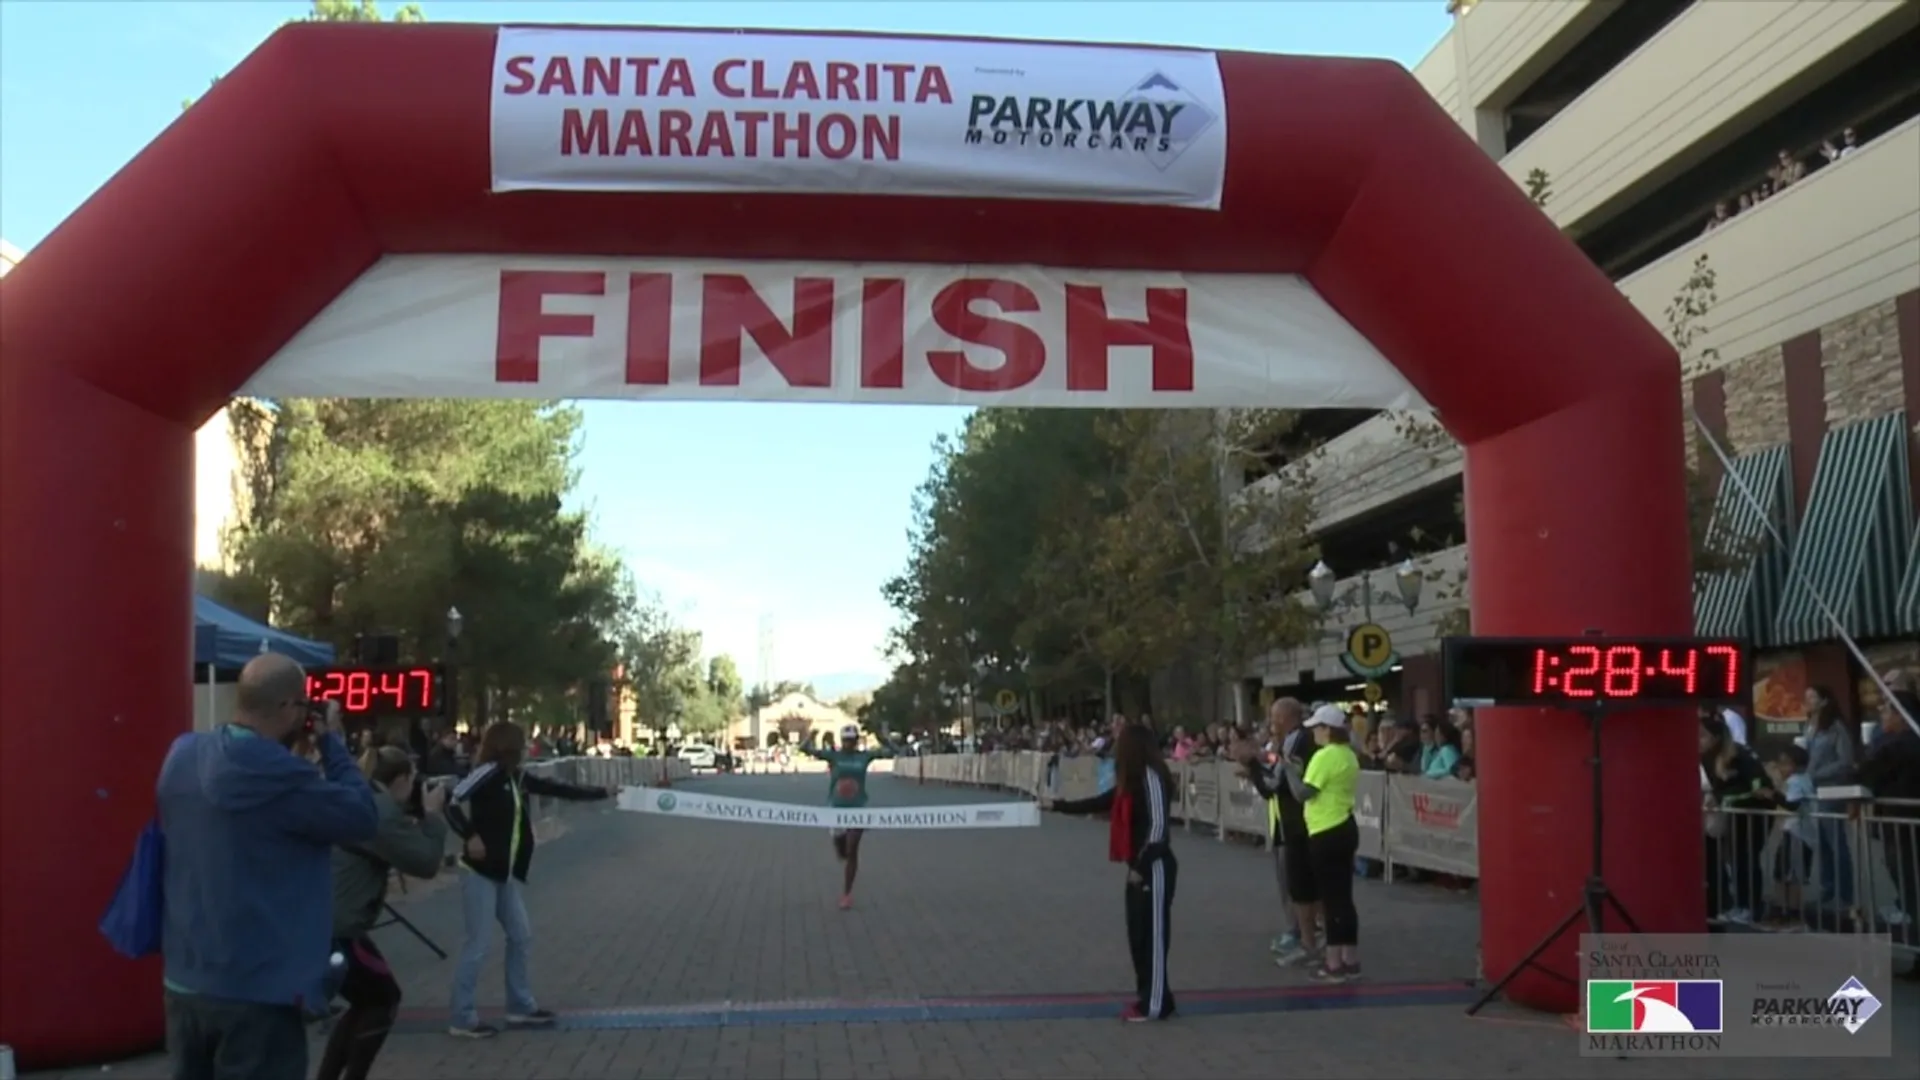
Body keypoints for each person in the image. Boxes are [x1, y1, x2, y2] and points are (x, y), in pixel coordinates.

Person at [158, 653, 380, 1080]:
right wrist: (332, 742)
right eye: (303, 705)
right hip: (258, 988)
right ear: (286, 708)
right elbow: (361, 817)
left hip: (187, 977)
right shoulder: (281, 779)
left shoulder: (180, 758)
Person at [444, 720, 615, 1038]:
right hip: (479, 873)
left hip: (504, 873)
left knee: (521, 936)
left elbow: (556, 789)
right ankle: (461, 1016)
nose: (525, 751)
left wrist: (600, 792)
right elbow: (451, 800)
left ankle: (520, 1006)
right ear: (508, 748)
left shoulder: (515, 777)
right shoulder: (487, 774)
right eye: (521, 745)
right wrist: (469, 835)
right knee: (478, 944)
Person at [319, 746, 450, 1080]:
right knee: (382, 1000)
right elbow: (425, 863)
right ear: (403, 779)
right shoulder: (380, 812)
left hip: (322, 920)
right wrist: (434, 816)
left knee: (369, 1000)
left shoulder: (356, 796)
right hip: (340, 928)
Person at [1041, 723, 1178, 1022]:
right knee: (1138, 936)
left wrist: (1141, 867)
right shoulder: (1131, 780)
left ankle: (1155, 1003)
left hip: (1153, 867)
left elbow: (1158, 828)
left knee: (1153, 937)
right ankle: (1149, 994)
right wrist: (1059, 806)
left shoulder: (1152, 778)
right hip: (1138, 866)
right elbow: (1101, 801)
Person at [1284, 705, 1363, 982]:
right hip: (1345, 824)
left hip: (1325, 828)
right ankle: (1350, 958)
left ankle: (1333, 964)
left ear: (1328, 730)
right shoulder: (1349, 755)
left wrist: (1290, 771)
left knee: (1331, 899)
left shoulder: (1324, 755)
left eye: (1318, 727)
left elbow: (1303, 793)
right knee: (1344, 896)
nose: (1314, 732)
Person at [1238, 697, 1317, 962]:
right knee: (1295, 883)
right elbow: (1277, 764)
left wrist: (1253, 767)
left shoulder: (1296, 739)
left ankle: (1302, 935)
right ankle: (1305, 933)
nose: (1271, 724)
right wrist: (1261, 760)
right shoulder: (1288, 741)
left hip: (1295, 824)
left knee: (1296, 885)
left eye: (1274, 718)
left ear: (1286, 718)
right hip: (1287, 822)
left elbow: (1276, 781)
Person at [801, 724, 897, 910]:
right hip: (836, 809)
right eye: (846, 740)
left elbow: (894, 752)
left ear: (856, 741)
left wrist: (884, 738)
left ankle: (846, 894)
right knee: (842, 852)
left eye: (852, 740)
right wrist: (810, 736)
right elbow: (805, 749)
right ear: (841, 740)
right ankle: (841, 847)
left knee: (852, 850)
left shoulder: (864, 756)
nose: (848, 744)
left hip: (858, 808)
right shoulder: (834, 756)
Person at [1701, 712, 1773, 924]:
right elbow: (1718, 788)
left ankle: (1752, 907)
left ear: (1715, 738)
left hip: (1755, 813)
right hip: (1734, 816)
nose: (1698, 742)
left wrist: (1726, 798)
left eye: (1702, 736)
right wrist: (1715, 798)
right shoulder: (1707, 758)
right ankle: (1740, 904)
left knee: (1747, 860)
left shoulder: (1739, 755)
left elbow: (1759, 784)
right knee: (1736, 860)